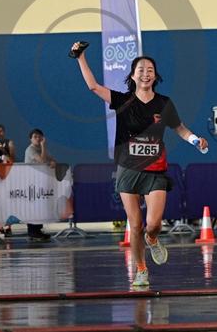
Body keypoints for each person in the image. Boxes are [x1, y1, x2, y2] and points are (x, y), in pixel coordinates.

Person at [70, 40, 208, 288]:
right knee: (135, 224)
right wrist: (80, 57)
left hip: (156, 170)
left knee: (153, 225)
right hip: (128, 169)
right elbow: (93, 86)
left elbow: (180, 128)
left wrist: (195, 140)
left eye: (150, 70)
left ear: (155, 76)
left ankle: (152, 239)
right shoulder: (123, 100)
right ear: (133, 76)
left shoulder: (164, 103)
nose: (145, 73)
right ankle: (141, 270)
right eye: (141, 70)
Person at [24, 128, 54, 242]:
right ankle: (32, 232)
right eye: (35, 137)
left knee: (39, 207)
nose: (37, 138)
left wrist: (53, 162)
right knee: (33, 207)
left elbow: (51, 159)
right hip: (31, 183)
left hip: (39, 183)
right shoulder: (30, 150)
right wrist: (43, 146)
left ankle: (37, 230)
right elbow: (42, 160)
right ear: (30, 139)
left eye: (39, 136)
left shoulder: (41, 149)